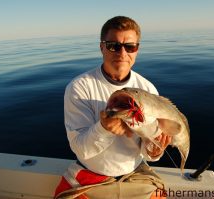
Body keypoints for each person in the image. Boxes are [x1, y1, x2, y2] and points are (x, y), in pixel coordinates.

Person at [54, 16, 172, 199]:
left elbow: (148, 146)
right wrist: (103, 129)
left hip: (135, 174)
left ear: (137, 50)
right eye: (113, 45)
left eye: (130, 46)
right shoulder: (79, 87)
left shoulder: (148, 89)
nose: (122, 53)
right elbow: (80, 149)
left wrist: (154, 151)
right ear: (102, 47)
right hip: (91, 176)